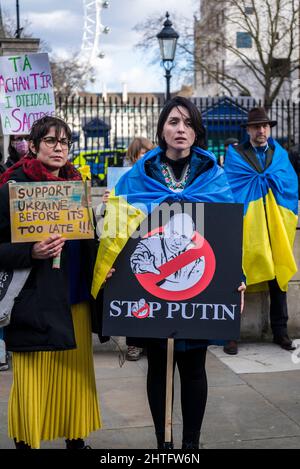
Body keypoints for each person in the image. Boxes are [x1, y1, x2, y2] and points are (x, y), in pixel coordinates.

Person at [92, 96, 245, 449]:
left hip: (198, 290)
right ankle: (164, 445)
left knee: (194, 368)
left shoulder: (214, 176)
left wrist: (237, 279)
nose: (181, 129)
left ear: (197, 131)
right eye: (174, 121)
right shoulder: (139, 175)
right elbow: (117, 229)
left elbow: (226, 235)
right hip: (151, 293)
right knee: (159, 368)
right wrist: (111, 267)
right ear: (162, 128)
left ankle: (190, 444)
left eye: (189, 123)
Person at [0, 116, 101, 449]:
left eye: (65, 143)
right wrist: (32, 252)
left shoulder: (77, 185)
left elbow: (87, 241)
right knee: (33, 382)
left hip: (75, 297)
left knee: (74, 377)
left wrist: (101, 267)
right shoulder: (12, 186)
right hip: (35, 302)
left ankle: (76, 439)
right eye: (51, 141)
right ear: (32, 145)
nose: (60, 148)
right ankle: (28, 441)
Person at [225, 107, 298, 354]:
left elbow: (289, 184)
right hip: (247, 225)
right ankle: (230, 334)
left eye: (265, 126)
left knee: (279, 277)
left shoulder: (280, 155)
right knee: (237, 277)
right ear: (248, 130)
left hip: (274, 224)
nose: (262, 130)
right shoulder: (236, 154)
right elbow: (230, 188)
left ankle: (281, 332)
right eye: (257, 126)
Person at [103, 136, 154, 361]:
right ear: (134, 156)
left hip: (151, 238)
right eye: (142, 153)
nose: (146, 156)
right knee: (132, 291)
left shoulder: (155, 178)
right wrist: (108, 202)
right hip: (128, 238)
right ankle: (134, 343)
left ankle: (150, 341)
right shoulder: (123, 178)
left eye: (148, 152)